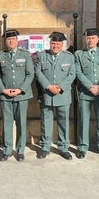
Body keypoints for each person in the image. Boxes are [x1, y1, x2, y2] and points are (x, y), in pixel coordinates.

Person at [0, 29, 35, 162]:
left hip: (22, 96)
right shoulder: (1, 56)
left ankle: (20, 150)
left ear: (17, 41)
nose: (11, 41)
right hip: (6, 96)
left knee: (21, 123)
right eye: (8, 40)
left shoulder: (25, 54)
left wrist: (20, 89)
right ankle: (7, 150)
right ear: (5, 42)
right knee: (7, 123)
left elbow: (30, 74)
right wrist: (3, 90)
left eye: (13, 39)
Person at [35, 32, 76, 160]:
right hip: (47, 94)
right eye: (53, 43)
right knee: (46, 122)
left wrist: (60, 87)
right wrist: (48, 86)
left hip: (63, 95)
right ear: (50, 43)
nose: (55, 46)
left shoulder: (69, 57)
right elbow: (38, 72)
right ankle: (45, 147)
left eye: (58, 44)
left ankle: (64, 147)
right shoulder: (42, 56)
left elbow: (72, 74)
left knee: (63, 123)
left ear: (62, 44)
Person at [74, 28, 99, 159]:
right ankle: (82, 147)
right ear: (85, 39)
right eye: (88, 38)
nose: (90, 41)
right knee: (83, 121)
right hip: (85, 93)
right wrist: (90, 86)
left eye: (93, 38)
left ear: (97, 39)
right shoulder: (79, 54)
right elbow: (78, 72)